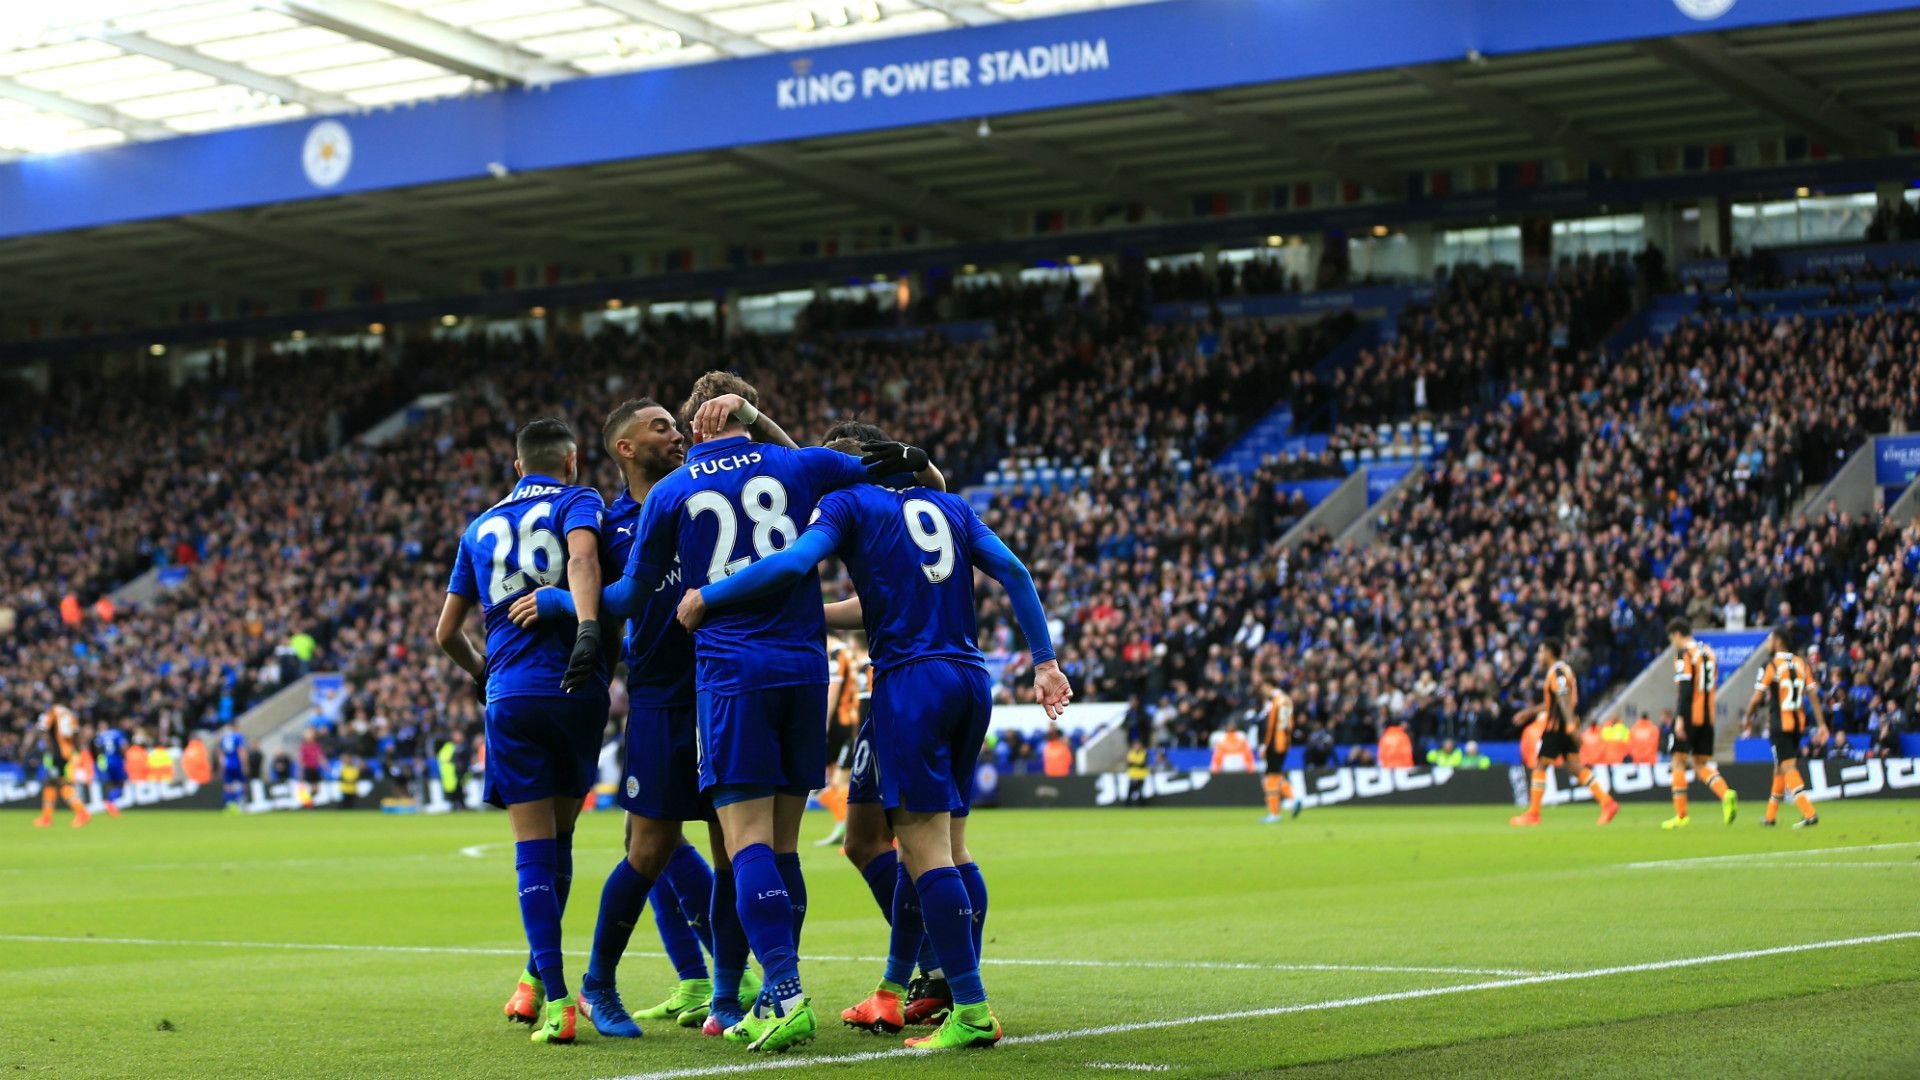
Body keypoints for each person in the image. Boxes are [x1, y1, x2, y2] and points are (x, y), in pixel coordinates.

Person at [676, 418, 1069, 1051]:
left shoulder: (844, 500)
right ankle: (918, 988)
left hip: (908, 684)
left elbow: (797, 561)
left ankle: (966, 1004)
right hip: (970, 678)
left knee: (922, 848)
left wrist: (713, 595)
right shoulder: (950, 504)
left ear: (849, 465)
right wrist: (1045, 661)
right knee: (945, 844)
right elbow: (1015, 572)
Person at [585, 373, 944, 1054]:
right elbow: (916, 468)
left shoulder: (672, 492)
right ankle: (761, 990)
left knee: (745, 840)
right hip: (804, 670)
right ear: (746, 417)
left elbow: (632, 593)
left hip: (729, 674)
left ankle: (781, 993)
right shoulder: (800, 463)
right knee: (781, 845)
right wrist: (766, 419)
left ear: (694, 430)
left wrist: (564, 607)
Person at [513, 394, 787, 1038]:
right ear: (626, 450)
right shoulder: (610, 527)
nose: (676, 433)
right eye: (660, 427)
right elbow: (601, 603)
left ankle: (723, 996)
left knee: (730, 848)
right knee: (650, 847)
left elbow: (789, 468)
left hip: (724, 686)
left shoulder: (705, 496)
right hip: (661, 697)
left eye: (675, 424)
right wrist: (562, 616)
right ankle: (598, 985)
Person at [435, 416, 611, 1046]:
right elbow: (586, 557)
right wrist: (587, 625)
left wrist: (485, 673)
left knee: (534, 850)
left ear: (517, 466)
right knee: (561, 841)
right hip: (576, 689)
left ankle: (551, 994)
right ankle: (538, 981)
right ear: (571, 461)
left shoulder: (479, 527)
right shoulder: (579, 499)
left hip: (511, 694)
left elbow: (445, 633)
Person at [1509, 639, 1620, 827]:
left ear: (1550, 653)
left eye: (1541, 652)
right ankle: (1607, 802)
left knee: (1540, 766)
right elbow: (1553, 701)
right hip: (1564, 723)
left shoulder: (1558, 672)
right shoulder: (1562, 670)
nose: (1539, 656)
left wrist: (1568, 723)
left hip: (1557, 725)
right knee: (1574, 767)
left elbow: (1562, 698)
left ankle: (1534, 813)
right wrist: (1529, 713)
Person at [1741, 627, 1826, 828]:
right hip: (1798, 724)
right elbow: (1813, 695)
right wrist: (1822, 724)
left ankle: (1809, 812)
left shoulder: (1771, 665)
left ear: (1778, 641)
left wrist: (1748, 717)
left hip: (1780, 724)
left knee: (1787, 767)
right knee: (1780, 767)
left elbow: (1757, 697)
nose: (1768, 643)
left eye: (1770, 639)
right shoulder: (1801, 663)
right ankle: (1770, 816)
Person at [1662, 620, 1737, 829]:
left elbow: (1685, 689)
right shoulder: (1709, 653)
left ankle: (1681, 815)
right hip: (1708, 717)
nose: (1672, 644)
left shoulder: (1684, 654)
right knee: (1701, 764)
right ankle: (1725, 793)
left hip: (1689, 716)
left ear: (1677, 634)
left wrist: (1680, 718)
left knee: (1677, 762)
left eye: (1671, 639)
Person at [31, 704, 90, 829]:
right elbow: (75, 733)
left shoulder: (53, 711)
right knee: (51, 782)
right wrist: (78, 750)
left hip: (57, 753)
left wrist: (31, 744)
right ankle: (46, 818)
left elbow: (42, 728)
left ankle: (82, 812)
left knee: (59, 782)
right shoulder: (70, 714)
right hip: (67, 753)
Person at [1259, 684, 1301, 822]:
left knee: (1270, 778)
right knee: (1276, 775)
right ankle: (1293, 799)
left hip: (1274, 743)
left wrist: (1265, 745)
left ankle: (1274, 813)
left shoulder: (1274, 701)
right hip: (1285, 742)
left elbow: (1270, 725)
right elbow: (1290, 724)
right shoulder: (1287, 700)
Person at [94, 722, 128, 818]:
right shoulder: (117, 733)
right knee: (121, 785)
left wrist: (100, 759)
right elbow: (123, 746)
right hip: (116, 760)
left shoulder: (100, 735)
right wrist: (125, 757)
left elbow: (97, 748)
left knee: (110, 784)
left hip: (104, 761)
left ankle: (110, 804)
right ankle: (110, 802)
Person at [218, 725, 248, 814]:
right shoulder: (238, 737)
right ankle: (240, 805)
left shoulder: (224, 738)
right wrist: (244, 764)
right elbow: (241, 751)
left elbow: (220, 753)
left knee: (227, 786)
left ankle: (229, 806)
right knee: (242, 783)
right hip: (237, 764)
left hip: (227, 764)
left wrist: (221, 766)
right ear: (236, 727)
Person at [1125, 739, 1150, 805]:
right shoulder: (1130, 753)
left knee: (1140, 790)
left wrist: (1135, 764)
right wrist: (1138, 764)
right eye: (1136, 745)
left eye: (1138, 745)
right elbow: (1129, 764)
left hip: (1141, 775)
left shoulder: (1144, 753)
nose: (1137, 746)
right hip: (1133, 775)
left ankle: (1141, 805)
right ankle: (1127, 805)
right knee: (1130, 790)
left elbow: (1143, 765)